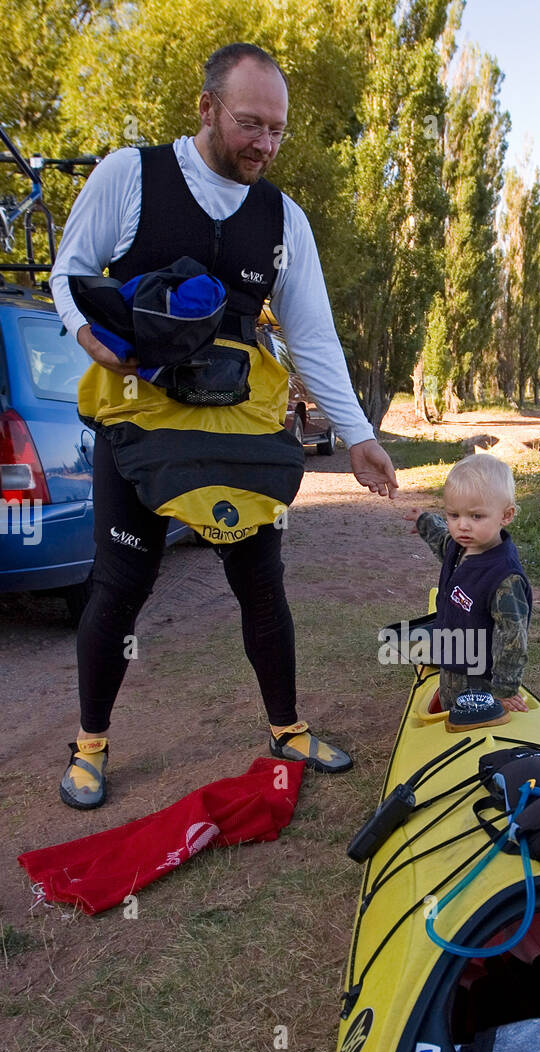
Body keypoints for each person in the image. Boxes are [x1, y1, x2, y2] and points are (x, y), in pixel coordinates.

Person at [50, 42, 398, 810]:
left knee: (261, 585)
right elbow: (69, 270)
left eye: (277, 131)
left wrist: (358, 435)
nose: (264, 145)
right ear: (205, 108)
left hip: (237, 433)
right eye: (250, 124)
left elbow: (312, 334)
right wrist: (85, 333)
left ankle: (287, 726)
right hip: (138, 428)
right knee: (121, 586)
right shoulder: (129, 175)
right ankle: (90, 744)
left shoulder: (284, 219)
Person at [404, 454, 532, 712]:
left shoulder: (504, 578)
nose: (462, 525)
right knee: (449, 705)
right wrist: (425, 522)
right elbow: (443, 541)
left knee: (467, 722)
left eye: (476, 516)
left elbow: (513, 638)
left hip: (477, 678)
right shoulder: (462, 545)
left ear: (506, 516)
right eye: (454, 514)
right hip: (451, 658)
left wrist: (505, 690)